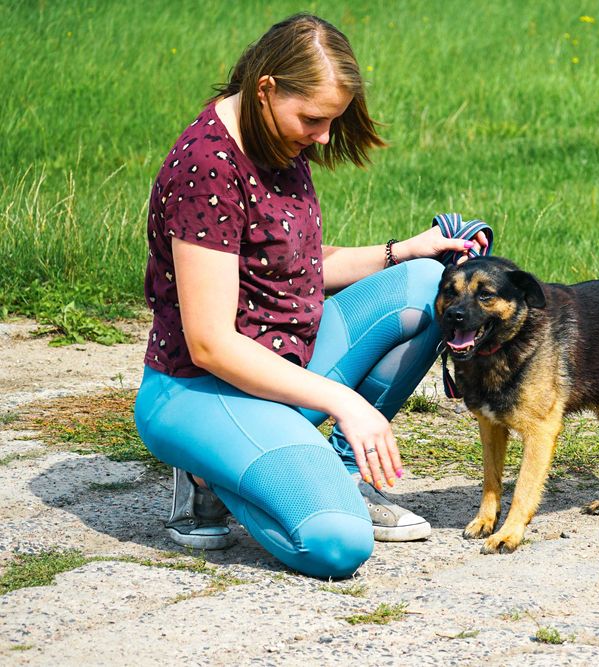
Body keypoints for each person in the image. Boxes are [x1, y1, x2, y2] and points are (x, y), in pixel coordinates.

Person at [133, 13, 489, 579]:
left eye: (331, 121)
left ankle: (344, 473)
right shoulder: (207, 167)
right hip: (200, 388)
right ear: (267, 88)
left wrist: (410, 249)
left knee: (429, 284)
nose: (322, 137)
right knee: (337, 544)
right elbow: (209, 344)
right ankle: (206, 469)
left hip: (283, 363)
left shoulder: (275, 135)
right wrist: (345, 402)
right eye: (314, 119)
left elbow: (296, 266)